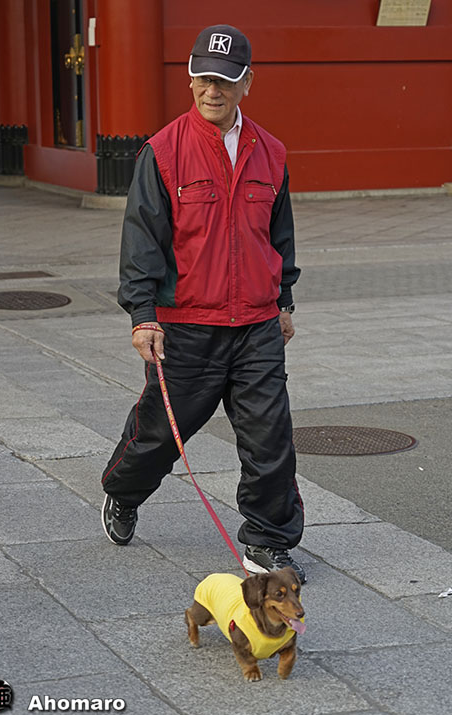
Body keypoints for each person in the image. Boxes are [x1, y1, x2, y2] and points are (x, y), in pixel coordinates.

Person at [101, 24, 305, 582]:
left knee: (270, 438)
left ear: (247, 84)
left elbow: (279, 236)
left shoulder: (272, 152)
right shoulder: (163, 151)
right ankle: (123, 491)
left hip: (256, 324)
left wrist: (283, 300)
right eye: (203, 79)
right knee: (158, 437)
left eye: (225, 81)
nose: (212, 90)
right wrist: (143, 315)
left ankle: (267, 541)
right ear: (190, 80)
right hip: (187, 325)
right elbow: (142, 240)